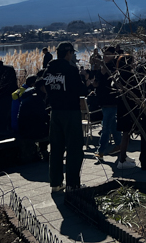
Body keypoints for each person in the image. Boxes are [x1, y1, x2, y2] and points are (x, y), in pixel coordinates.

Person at [43, 41, 86, 192]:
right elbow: (81, 89)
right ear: (68, 53)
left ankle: (55, 183)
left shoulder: (48, 70)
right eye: (72, 52)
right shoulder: (70, 70)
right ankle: (72, 184)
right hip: (71, 111)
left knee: (56, 148)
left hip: (55, 112)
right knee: (74, 148)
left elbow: (43, 86)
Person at [94, 47, 121, 160]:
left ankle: (101, 150)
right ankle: (119, 145)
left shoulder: (115, 67)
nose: (105, 56)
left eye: (108, 54)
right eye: (104, 54)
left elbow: (112, 83)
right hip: (104, 100)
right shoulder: (102, 68)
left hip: (111, 100)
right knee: (112, 125)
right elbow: (98, 83)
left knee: (105, 126)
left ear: (114, 54)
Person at [17, 79, 50, 161]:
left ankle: (42, 150)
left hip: (24, 128)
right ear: (42, 87)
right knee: (52, 128)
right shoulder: (37, 98)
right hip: (31, 129)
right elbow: (42, 116)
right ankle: (44, 151)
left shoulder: (30, 95)